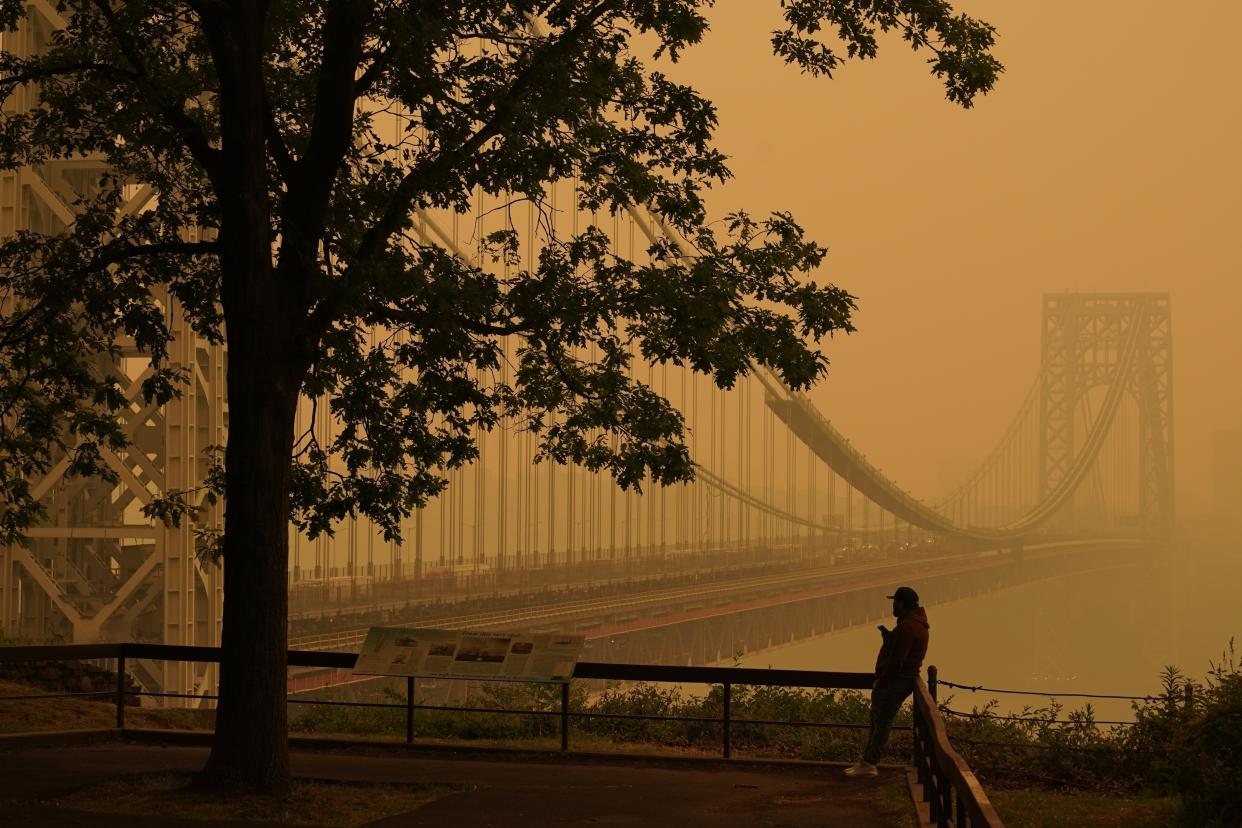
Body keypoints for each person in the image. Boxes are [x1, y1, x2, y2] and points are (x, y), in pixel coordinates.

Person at [844, 586, 930, 777]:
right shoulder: (915, 624)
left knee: (882, 722)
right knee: (877, 721)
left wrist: (882, 681)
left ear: (901, 603)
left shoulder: (907, 627)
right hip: (901, 680)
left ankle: (869, 763)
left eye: (894, 602)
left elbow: (897, 661)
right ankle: (866, 761)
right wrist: (890, 638)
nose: (892, 606)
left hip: (895, 682)